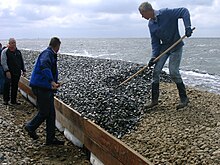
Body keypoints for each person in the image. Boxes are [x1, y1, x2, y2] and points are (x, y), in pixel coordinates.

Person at [138, 2, 193, 110]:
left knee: (173, 72)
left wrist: (188, 26)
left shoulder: (166, 13)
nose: (142, 16)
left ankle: (184, 98)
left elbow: (184, 11)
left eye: (142, 14)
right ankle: (154, 101)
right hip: (164, 48)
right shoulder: (151, 24)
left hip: (176, 46)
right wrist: (153, 57)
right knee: (156, 71)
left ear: (148, 11)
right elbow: (155, 42)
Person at [25, 37, 64, 145]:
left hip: (45, 87)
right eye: (59, 47)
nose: (59, 49)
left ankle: (50, 139)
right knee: (45, 112)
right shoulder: (47, 54)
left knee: (51, 114)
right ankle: (30, 126)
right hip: (41, 87)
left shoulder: (50, 54)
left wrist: (54, 83)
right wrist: (51, 81)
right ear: (56, 46)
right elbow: (45, 66)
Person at [1, 38, 26, 104]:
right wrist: (7, 70)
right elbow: (3, 62)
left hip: (16, 72)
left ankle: (13, 100)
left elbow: (21, 61)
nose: (13, 44)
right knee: (7, 85)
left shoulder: (18, 52)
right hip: (8, 72)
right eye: (12, 43)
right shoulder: (5, 51)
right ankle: (6, 100)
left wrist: (24, 70)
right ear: (9, 44)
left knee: (15, 86)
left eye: (14, 43)